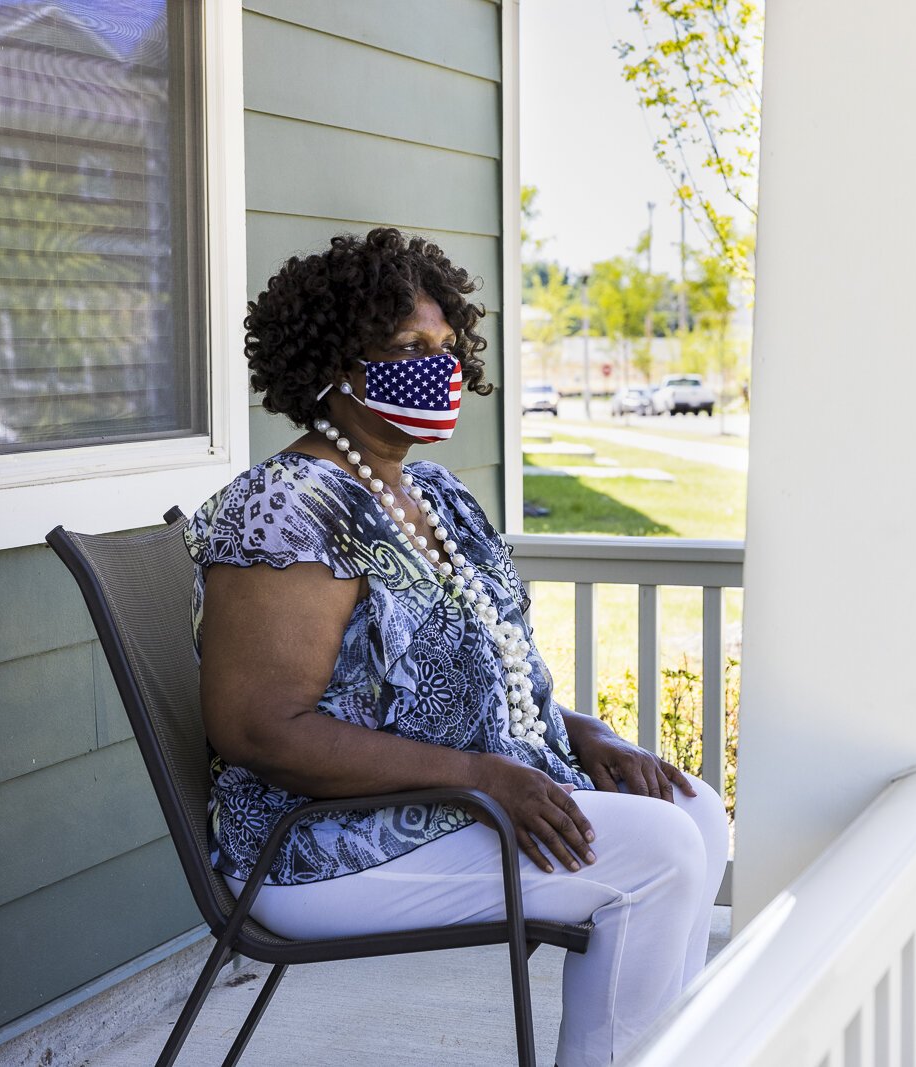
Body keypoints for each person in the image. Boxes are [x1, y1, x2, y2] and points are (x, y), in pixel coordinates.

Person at [186, 227, 729, 1066]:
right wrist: (481, 775)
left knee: (694, 811)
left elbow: (493, 669)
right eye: (408, 348)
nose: (438, 367)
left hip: (444, 802)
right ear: (333, 363)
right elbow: (260, 729)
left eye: (446, 347)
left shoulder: (429, 490)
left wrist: (587, 734)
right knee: (657, 853)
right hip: (323, 840)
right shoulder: (290, 507)